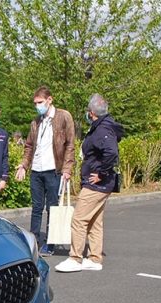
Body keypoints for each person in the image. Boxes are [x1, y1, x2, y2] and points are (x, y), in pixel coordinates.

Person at [55, 94, 124, 273]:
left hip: (97, 184)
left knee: (78, 219)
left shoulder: (102, 130)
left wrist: (101, 173)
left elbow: (111, 153)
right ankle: (94, 258)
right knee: (94, 221)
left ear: (91, 112)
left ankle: (75, 258)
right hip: (102, 183)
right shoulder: (103, 127)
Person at [15, 86, 76, 256]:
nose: (37, 106)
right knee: (36, 207)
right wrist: (24, 165)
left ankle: (50, 242)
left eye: (40, 102)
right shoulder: (36, 122)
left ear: (50, 100)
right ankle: (34, 241)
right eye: (35, 103)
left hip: (53, 170)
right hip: (37, 170)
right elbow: (28, 146)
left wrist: (67, 168)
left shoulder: (64, 117)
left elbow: (70, 144)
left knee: (52, 208)